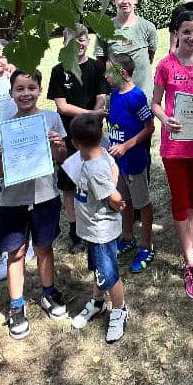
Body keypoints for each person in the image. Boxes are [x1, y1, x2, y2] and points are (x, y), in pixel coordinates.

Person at [0, 69, 69, 340]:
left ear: (40, 90)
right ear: (10, 93)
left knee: (44, 247)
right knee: (16, 252)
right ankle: (17, 305)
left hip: (45, 196)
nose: (26, 94)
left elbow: (62, 157)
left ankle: (48, 292)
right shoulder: (4, 126)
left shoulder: (51, 118)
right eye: (19, 89)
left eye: (31, 87)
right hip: (13, 200)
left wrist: (57, 146)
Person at [151, 10, 193, 298]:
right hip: (174, 146)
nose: (192, 37)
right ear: (177, 33)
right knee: (181, 198)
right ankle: (190, 262)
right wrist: (165, 121)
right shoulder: (166, 65)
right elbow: (155, 103)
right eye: (187, 32)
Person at [68, 112, 129, 343]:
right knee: (99, 269)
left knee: (109, 274)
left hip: (102, 231)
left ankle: (120, 309)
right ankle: (98, 301)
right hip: (91, 230)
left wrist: (117, 201)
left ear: (75, 142)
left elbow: (114, 196)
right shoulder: (97, 154)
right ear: (101, 135)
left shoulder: (94, 170)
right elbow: (113, 168)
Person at [48, 25, 110, 254]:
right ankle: (76, 232)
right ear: (65, 44)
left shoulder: (97, 67)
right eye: (73, 40)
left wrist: (94, 118)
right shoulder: (58, 71)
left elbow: (102, 97)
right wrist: (90, 115)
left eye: (82, 39)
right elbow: (62, 106)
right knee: (69, 186)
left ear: (88, 40)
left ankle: (98, 222)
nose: (79, 44)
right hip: (68, 136)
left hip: (93, 135)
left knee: (95, 180)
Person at [105, 53, 157, 273]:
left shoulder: (137, 97)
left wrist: (126, 146)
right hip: (118, 163)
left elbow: (149, 127)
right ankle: (128, 237)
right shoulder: (114, 95)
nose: (105, 75)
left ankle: (147, 245)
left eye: (109, 71)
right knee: (123, 200)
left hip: (134, 161)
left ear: (123, 73)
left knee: (142, 203)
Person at [96, 0, 160, 99]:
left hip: (143, 96)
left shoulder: (148, 27)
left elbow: (150, 57)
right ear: (113, 0)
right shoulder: (104, 29)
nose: (125, 1)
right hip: (116, 97)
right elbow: (101, 63)